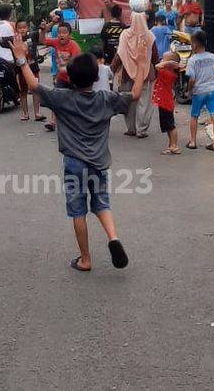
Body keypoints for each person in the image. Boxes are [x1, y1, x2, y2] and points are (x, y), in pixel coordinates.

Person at [9, 36, 146, 272]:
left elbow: (33, 86)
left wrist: (21, 59)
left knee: (78, 210)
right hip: (99, 162)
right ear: (96, 76)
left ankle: (85, 259)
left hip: (74, 162)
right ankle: (113, 238)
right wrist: (141, 65)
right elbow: (134, 94)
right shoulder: (106, 99)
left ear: (69, 78)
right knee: (102, 203)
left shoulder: (63, 98)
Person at [111, 11, 159, 138]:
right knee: (144, 102)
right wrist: (157, 70)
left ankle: (131, 128)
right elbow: (154, 56)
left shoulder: (125, 34)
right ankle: (141, 129)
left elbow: (119, 54)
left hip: (127, 73)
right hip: (145, 72)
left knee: (129, 101)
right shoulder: (149, 36)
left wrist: (112, 69)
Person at [185, 30, 214, 152]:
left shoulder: (192, 60)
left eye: (192, 43)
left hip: (199, 91)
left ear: (195, 44)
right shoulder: (212, 57)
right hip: (212, 90)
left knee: (194, 116)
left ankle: (192, 141)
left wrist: (189, 91)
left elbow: (192, 79)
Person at [39, 21, 82, 131]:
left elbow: (75, 64)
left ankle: (79, 122)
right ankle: (53, 122)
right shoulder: (56, 42)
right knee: (55, 98)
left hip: (74, 79)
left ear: (70, 34)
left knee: (76, 100)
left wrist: (65, 69)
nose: (61, 35)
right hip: (61, 78)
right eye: (59, 32)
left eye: (64, 32)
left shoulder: (74, 46)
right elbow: (42, 40)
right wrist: (43, 30)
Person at [151, 52, 182, 155]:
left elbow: (157, 66)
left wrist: (168, 62)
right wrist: (168, 62)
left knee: (170, 126)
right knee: (168, 126)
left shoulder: (168, 73)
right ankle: (171, 145)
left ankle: (174, 145)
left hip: (166, 102)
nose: (161, 61)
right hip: (164, 102)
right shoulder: (167, 72)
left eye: (163, 59)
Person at [16, 19, 46, 122]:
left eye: (24, 27)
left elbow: (42, 31)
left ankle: (37, 113)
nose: (22, 30)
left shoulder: (32, 36)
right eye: (20, 28)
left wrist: (45, 26)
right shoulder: (14, 39)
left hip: (33, 67)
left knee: (36, 90)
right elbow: (3, 41)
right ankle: (25, 113)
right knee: (22, 92)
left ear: (27, 28)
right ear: (16, 30)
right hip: (20, 69)